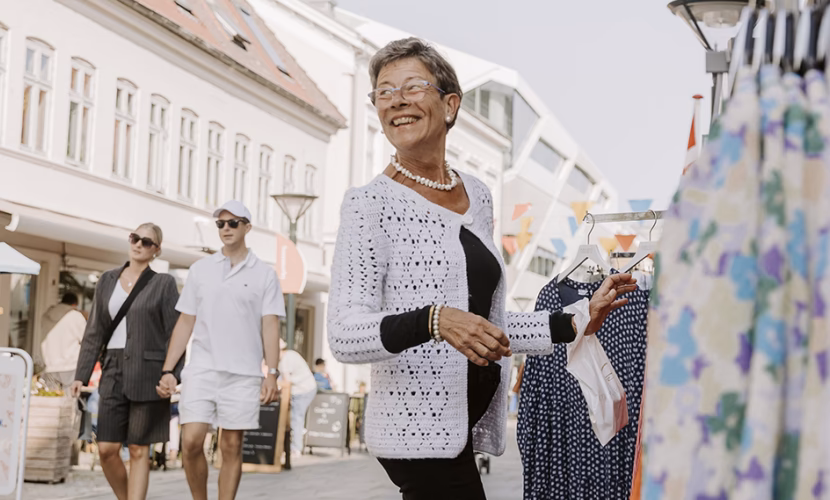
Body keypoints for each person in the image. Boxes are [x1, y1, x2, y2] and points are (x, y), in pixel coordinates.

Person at [327, 37, 638, 500]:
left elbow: (485, 325)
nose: (396, 100)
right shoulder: (369, 204)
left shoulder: (476, 194)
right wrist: (434, 320)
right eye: (384, 91)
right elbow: (344, 333)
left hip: (460, 426)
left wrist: (575, 320)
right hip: (417, 433)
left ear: (450, 105)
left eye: (413, 86)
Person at [156, 200, 283, 500]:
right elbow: (185, 322)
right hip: (202, 369)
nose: (226, 228)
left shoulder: (264, 274)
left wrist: (272, 373)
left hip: (243, 374)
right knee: (191, 441)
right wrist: (168, 369)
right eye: (220, 224)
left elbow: (270, 326)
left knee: (231, 445)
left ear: (247, 227)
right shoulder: (200, 270)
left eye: (233, 223)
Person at [70, 224, 181, 500]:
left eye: (146, 241)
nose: (139, 244)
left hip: (149, 372)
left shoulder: (163, 283)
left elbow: (175, 332)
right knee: (106, 449)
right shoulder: (107, 280)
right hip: (113, 370)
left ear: (156, 250)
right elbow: (94, 330)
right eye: (135, 238)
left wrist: (171, 373)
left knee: (139, 449)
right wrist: (81, 375)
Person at [278, 339, 318, 456]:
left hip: (303, 391)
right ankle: (295, 444)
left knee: (296, 418)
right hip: (304, 389)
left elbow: (286, 382)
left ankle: (296, 448)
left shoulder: (285, 360)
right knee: (296, 418)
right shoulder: (290, 355)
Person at [40, 292, 87, 389]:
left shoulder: (46, 315)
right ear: (74, 304)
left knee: (51, 397)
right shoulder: (76, 316)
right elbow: (87, 341)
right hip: (70, 366)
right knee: (69, 397)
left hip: (50, 365)